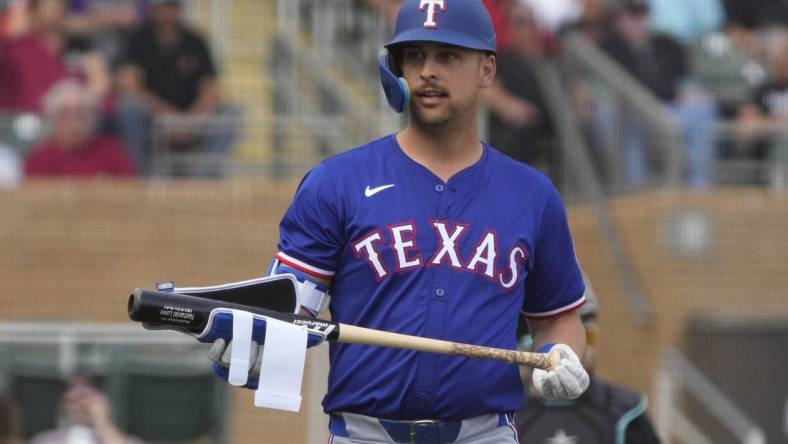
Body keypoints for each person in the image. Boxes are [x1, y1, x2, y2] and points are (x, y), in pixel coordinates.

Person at [210, 1, 589, 443]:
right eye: (415, 56)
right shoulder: (336, 183)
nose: (428, 71)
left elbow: (559, 317)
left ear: (487, 71)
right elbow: (292, 305)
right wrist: (258, 340)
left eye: (448, 56)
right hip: (365, 434)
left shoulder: (533, 195)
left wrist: (559, 355)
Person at [515, 275, 662, 443]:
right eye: (566, 346)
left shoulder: (625, 412)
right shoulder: (503, 415)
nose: (585, 352)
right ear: (529, 349)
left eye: (589, 337)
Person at [598, 0, 718, 188]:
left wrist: (689, 91)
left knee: (702, 108)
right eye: (631, 13)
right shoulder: (608, 48)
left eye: (642, 12)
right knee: (609, 114)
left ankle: (699, 187)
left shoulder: (667, 43)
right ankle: (636, 190)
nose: (637, 19)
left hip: (668, 108)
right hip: (631, 112)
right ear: (618, 19)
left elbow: (685, 79)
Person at [115, 0, 238, 176]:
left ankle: (205, 180)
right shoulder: (137, 39)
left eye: (173, 6)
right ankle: (140, 177)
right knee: (128, 108)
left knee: (231, 114)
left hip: (191, 118)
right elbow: (130, 86)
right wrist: (166, 116)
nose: (169, 11)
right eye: (165, 6)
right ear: (154, 9)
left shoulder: (195, 41)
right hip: (153, 118)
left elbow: (211, 89)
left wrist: (192, 120)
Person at [483, 4, 557, 178]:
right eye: (521, 23)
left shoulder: (546, 60)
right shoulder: (501, 59)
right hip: (516, 125)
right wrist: (508, 105)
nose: (528, 30)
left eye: (531, 23)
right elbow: (488, 87)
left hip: (550, 120)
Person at [0, 0, 109, 113]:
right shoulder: (18, 47)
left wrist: (77, 100)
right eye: (50, 6)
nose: (56, 11)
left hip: (77, 113)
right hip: (30, 116)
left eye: (60, 5)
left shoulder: (79, 44)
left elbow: (99, 82)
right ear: (34, 11)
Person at [24, 80, 136, 177]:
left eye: (82, 116)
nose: (75, 124)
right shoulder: (40, 159)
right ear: (53, 120)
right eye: (65, 116)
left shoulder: (113, 153)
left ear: (94, 119)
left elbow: (131, 192)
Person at [737, 29, 788, 186]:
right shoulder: (763, 89)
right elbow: (746, 124)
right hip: (766, 148)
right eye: (783, 55)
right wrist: (776, 122)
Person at [29, 376, 142, 444]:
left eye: (84, 397)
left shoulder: (125, 440)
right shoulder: (45, 441)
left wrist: (103, 425)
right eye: (72, 401)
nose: (80, 406)